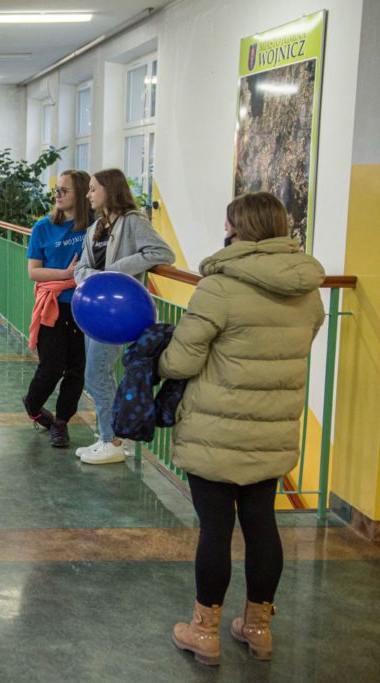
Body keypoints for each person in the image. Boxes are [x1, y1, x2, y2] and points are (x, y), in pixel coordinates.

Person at [160, 192, 325, 666]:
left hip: (216, 429)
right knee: (261, 524)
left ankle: (204, 633)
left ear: (240, 229)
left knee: (215, 529)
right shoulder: (307, 288)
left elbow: (181, 361)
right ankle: (258, 629)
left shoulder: (219, 287)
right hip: (273, 428)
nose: (225, 230)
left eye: (229, 223)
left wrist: (159, 356)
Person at [73, 168, 175, 465]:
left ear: (110, 190)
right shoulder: (96, 227)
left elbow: (163, 253)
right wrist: (94, 277)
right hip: (94, 312)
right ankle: (108, 435)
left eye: (94, 189)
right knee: (96, 373)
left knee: (96, 373)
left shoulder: (133, 222)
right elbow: (80, 268)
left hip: (117, 314)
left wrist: (115, 270)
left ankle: (113, 440)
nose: (89, 195)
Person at [21, 170, 92, 448]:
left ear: (81, 194)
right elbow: (33, 272)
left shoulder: (94, 227)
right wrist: (65, 274)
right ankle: (33, 405)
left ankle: (61, 422)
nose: (58, 195)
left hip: (84, 307)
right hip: (53, 306)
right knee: (51, 368)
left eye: (64, 190)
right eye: (56, 190)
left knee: (76, 369)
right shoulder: (43, 227)